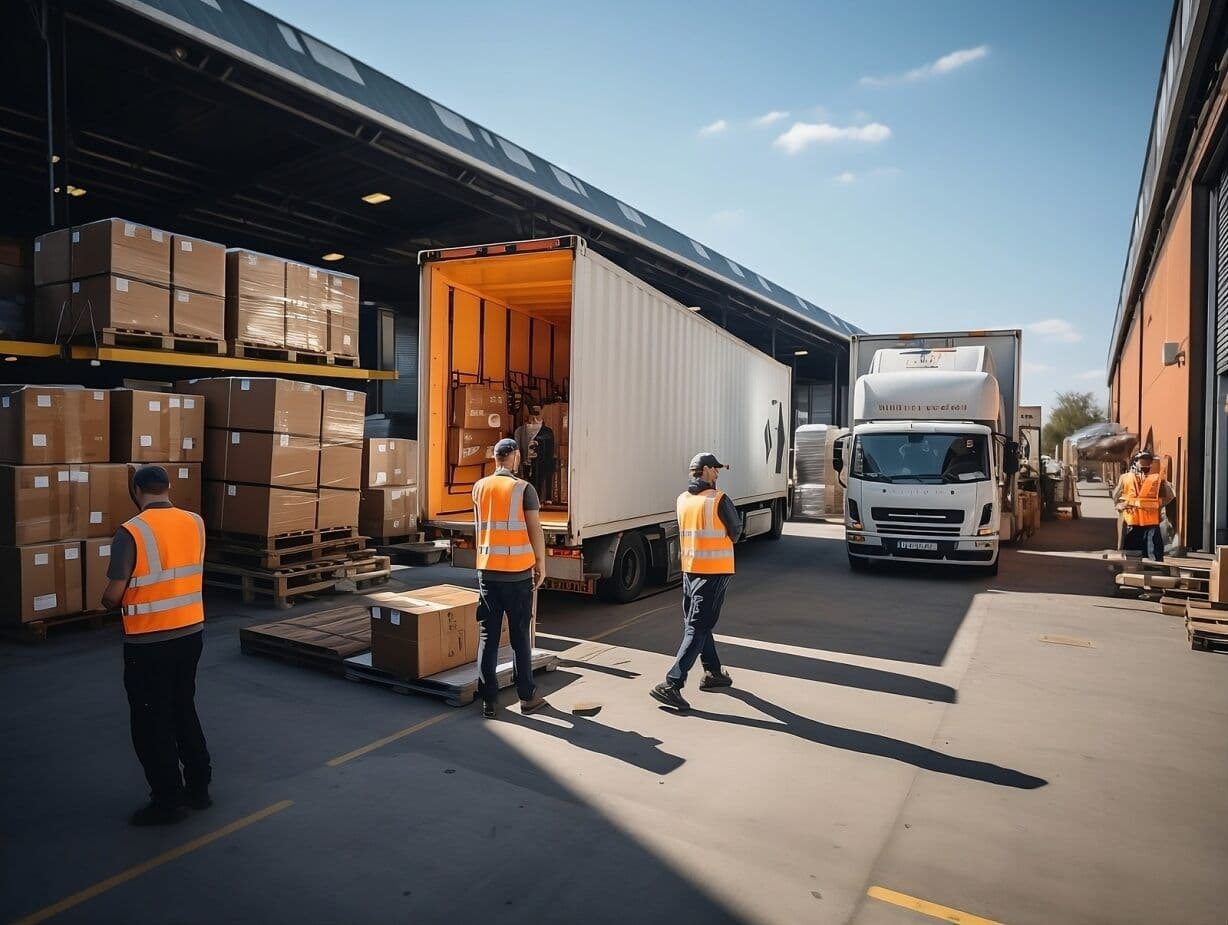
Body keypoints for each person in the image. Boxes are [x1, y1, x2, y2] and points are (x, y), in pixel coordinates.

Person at [101, 465, 211, 826]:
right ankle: (198, 788)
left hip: (149, 642)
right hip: (191, 633)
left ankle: (167, 801)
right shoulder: (195, 522)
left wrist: (104, 602)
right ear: (168, 487)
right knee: (184, 708)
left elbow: (114, 594)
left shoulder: (131, 531)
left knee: (151, 722)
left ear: (136, 490)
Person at [651, 453, 742, 711]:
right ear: (704, 470)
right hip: (714, 573)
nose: (718, 473)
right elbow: (736, 532)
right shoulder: (719, 500)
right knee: (698, 627)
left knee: (698, 623)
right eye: (715, 469)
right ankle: (672, 684)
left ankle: (714, 673)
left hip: (690, 572)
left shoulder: (682, 500)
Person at [472, 438, 548, 718]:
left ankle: (488, 701)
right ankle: (527, 697)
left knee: (487, 638)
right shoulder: (523, 489)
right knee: (519, 637)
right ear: (514, 456)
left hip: (487, 573)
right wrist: (540, 563)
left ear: (495, 458)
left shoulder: (479, 487)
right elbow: (534, 529)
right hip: (517, 576)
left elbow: (481, 526)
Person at [1112, 451, 1174, 561]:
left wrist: (1158, 504)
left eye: (1148, 462)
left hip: (1152, 523)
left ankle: (1154, 574)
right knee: (1132, 555)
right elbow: (1116, 496)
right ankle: (1132, 575)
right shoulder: (1125, 478)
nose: (1146, 464)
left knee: (1153, 554)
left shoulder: (1157, 479)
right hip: (1132, 522)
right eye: (1143, 461)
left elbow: (1169, 495)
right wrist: (1119, 505)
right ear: (1135, 462)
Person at [514, 404, 556, 502]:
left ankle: (540, 499)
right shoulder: (520, 431)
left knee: (539, 480)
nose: (534, 418)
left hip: (541, 464)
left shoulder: (547, 432)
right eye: (531, 415)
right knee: (526, 482)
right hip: (525, 463)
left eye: (537, 415)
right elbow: (517, 448)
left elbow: (550, 451)